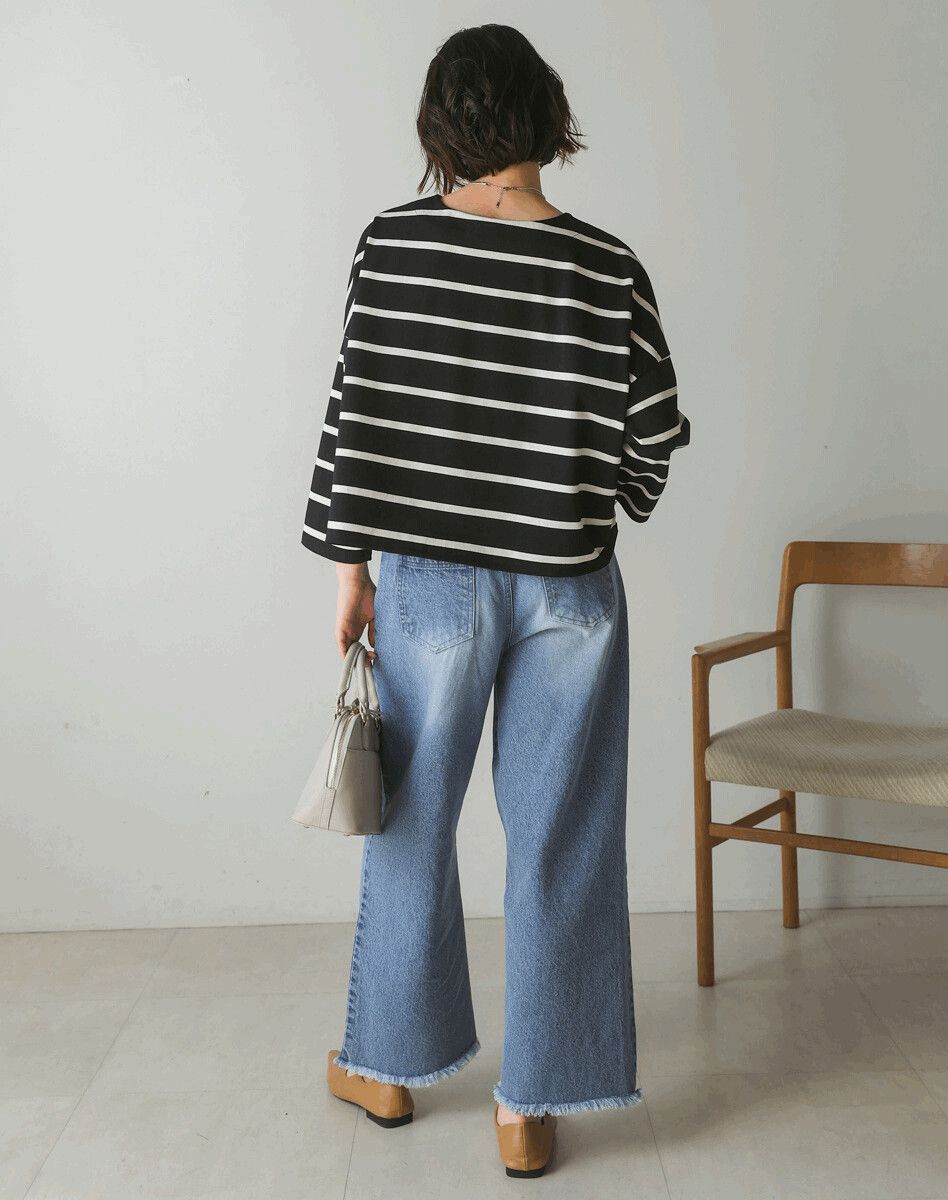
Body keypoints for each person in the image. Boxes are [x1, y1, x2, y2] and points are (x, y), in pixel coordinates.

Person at [301, 23, 689, 1179]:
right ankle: (532, 1106)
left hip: (429, 582)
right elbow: (653, 438)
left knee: (410, 823)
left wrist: (350, 567)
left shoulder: (393, 244)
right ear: (544, 117)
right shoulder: (604, 264)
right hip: (568, 582)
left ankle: (385, 1070)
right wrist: (600, 496)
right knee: (562, 836)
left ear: (441, 124)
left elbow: (355, 413)